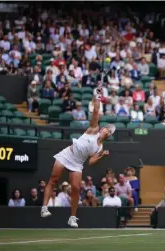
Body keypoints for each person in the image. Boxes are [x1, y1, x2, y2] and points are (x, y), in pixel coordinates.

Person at [40, 87, 114, 227]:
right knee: (53, 179)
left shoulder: (100, 148)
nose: (107, 130)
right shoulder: (93, 129)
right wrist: (97, 95)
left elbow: (91, 162)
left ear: (108, 135)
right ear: (102, 129)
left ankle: (72, 218)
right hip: (67, 154)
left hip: (78, 163)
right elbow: (96, 111)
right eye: (107, 128)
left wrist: (102, 156)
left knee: (76, 188)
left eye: (109, 131)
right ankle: (44, 208)